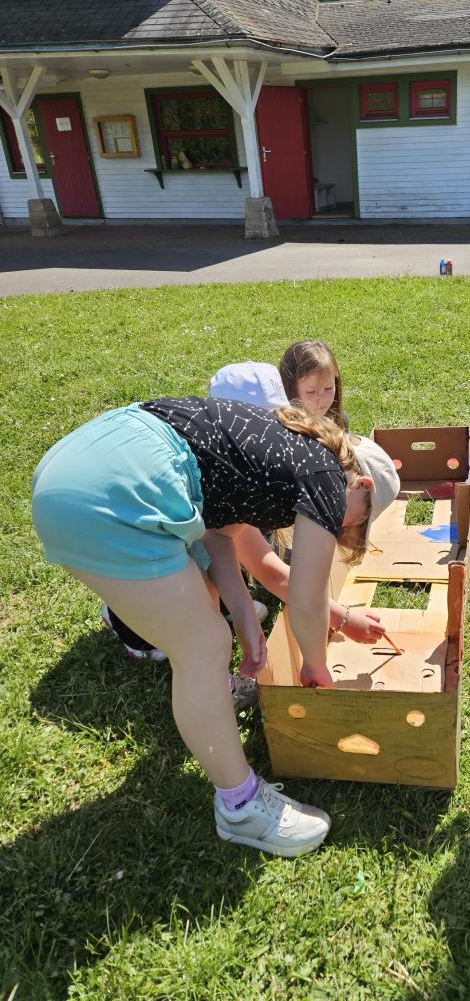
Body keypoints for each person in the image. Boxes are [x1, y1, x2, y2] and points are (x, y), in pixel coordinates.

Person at [32, 398, 399, 854]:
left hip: (83, 466)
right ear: (361, 484)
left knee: (203, 614)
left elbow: (219, 533)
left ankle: (214, 697)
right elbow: (306, 600)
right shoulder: (327, 478)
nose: (345, 530)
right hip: (109, 493)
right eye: (357, 520)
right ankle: (240, 807)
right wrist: (315, 666)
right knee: (204, 644)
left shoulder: (286, 451)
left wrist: (243, 611)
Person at [102, 359, 390, 668]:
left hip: (159, 523)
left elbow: (266, 566)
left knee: (219, 562)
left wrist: (342, 618)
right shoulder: (228, 480)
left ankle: (195, 602)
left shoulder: (248, 482)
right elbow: (258, 565)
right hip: (132, 539)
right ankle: (130, 624)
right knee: (201, 597)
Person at [279, 340, 349, 429]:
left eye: (328, 388)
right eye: (311, 391)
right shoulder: (282, 429)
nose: (321, 399)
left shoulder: (339, 421)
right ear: (290, 388)